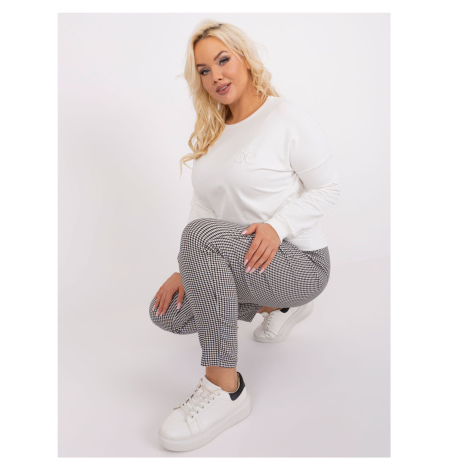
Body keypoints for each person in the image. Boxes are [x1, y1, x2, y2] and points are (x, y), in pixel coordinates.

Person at [148, 19, 341, 452]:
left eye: (223, 60)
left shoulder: (285, 117)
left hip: (300, 263)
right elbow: (204, 208)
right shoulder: (215, 132)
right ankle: (277, 305)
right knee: (168, 314)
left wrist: (278, 226)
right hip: (248, 263)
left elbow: (328, 187)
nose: (215, 75)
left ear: (246, 60)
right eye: (204, 70)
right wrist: (185, 268)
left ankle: (225, 389)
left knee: (200, 238)